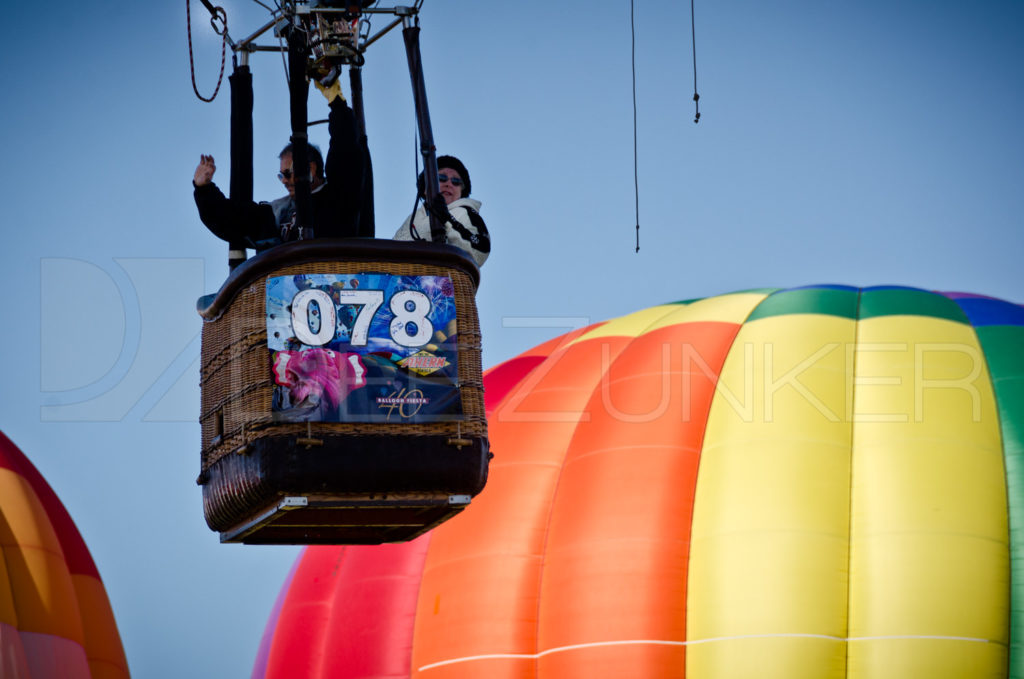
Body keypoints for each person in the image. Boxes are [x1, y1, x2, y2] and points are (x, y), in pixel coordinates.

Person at [192, 78, 368, 253]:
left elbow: (345, 152)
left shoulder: (338, 196)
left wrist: (337, 105)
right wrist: (204, 189)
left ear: (311, 168)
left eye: (288, 173)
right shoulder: (276, 212)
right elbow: (230, 220)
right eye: (281, 175)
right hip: (284, 279)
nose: (284, 180)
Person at [393, 155, 490, 268]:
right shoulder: (413, 218)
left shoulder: (466, 213)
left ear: (461, 191)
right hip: (405, 282)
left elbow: (480, 252)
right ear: (425, 188)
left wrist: (447, 220)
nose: (449, 184)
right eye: (442, 178)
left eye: (456, 181)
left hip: (444, 282)